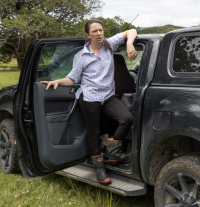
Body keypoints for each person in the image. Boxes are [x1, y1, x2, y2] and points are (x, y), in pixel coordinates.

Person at [41, 19, 138, 185]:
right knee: (94, 132)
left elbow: (132, 30)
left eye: (100, 30)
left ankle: (113, 152)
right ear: (87, 35)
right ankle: (99, 169)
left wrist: (129, 44)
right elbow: (71, 79)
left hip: (108, 96)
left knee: (127, 118)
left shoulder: (109, 45)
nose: (99, 33)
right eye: (95, 31)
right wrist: (57, 82)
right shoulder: (81, 56)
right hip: (90, 98)